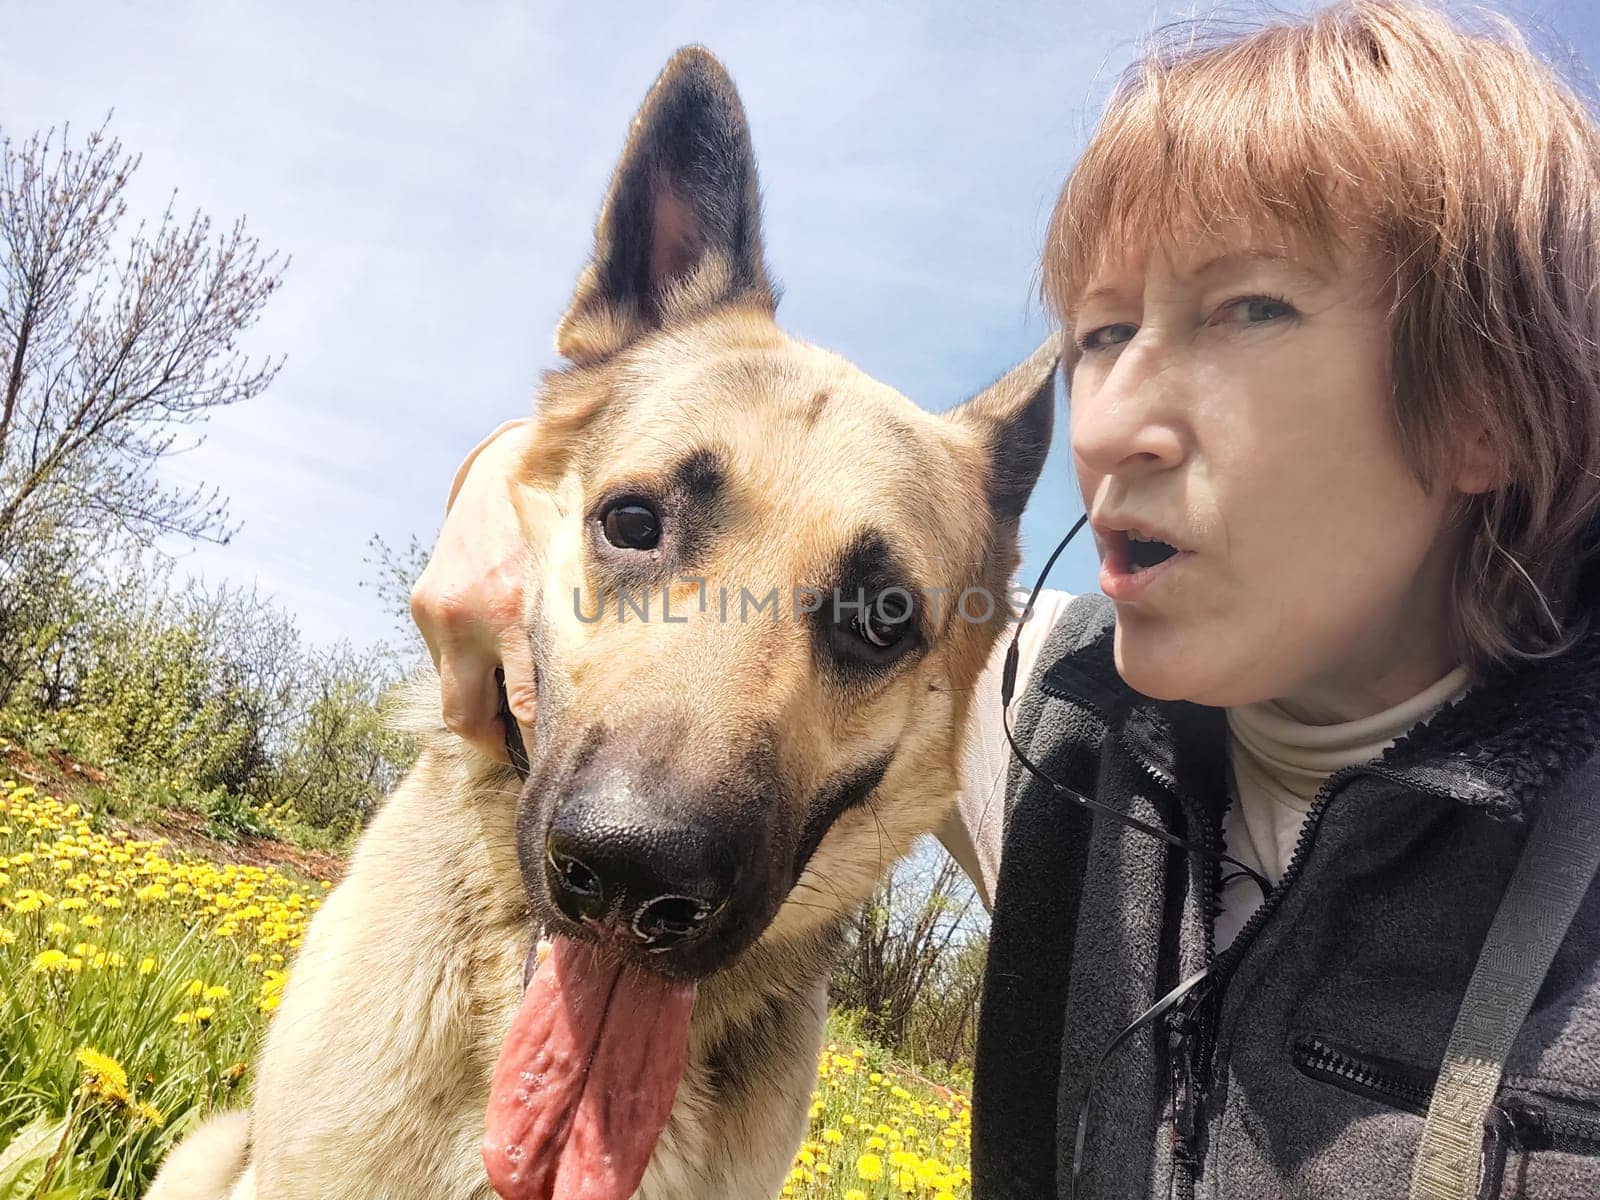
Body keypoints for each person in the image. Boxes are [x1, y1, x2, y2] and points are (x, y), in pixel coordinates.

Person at [411, 1, 1600, 1195]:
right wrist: (510, 469)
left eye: (1247, 312)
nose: (1115, 423)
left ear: (1480, 410)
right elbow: (675, 496)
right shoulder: (1047, 712)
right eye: (1103, 332)